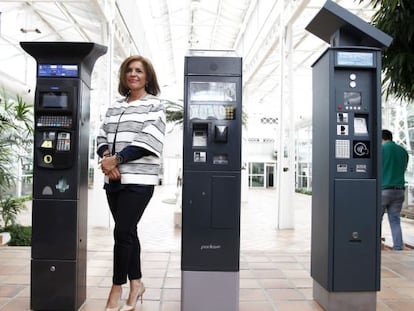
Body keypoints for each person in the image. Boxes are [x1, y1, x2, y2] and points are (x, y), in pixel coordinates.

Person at [97, 55, 166, 311]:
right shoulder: (115, 106)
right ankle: (137, 284)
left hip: (139, 180)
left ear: (148, 77)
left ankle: (117, 287)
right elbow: (101, 134)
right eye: (129, 70)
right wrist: (107, 158)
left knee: (121, 232)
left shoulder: (155, 106)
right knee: (129, 231)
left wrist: (117, 159)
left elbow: (149, 140)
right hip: (113, 178)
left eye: (139, 70)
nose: (133, 74)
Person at [381, 129, 409, 251]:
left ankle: (375, 247)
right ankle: (398, 247)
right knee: (395, 220)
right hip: (399, 190)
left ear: (381, 138)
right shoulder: (403, 151)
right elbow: (404, 168)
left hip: (383, 189)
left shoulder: (381, 149)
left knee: (376, 220)